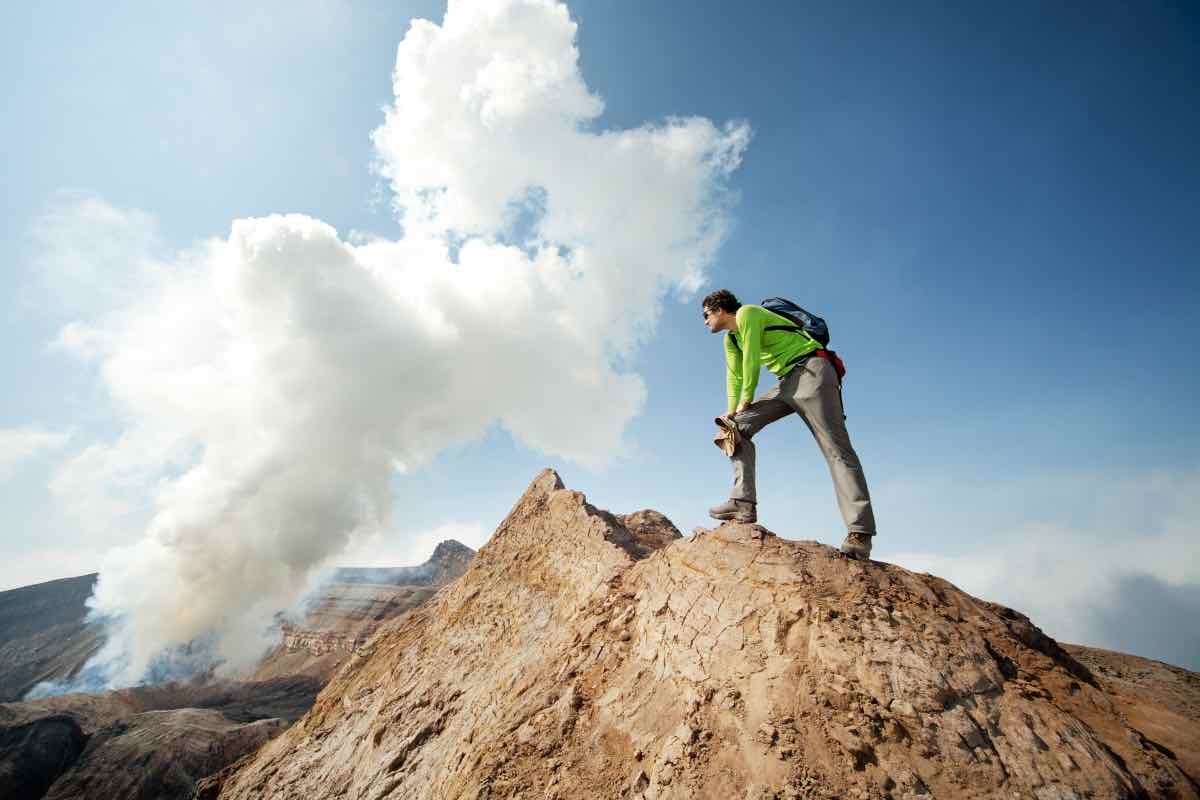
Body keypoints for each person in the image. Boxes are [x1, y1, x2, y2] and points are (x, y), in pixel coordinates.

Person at [702, 289, 877, 560]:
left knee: (836, 450)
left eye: (706, 315)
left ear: (719, 309)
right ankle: (742, 502)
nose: (704, 321)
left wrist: (746, 398)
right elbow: (734, 376)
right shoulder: (730, 340)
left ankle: (860, 532)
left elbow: (751, 361)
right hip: (785, 383)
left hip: (812, 371)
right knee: (732, 428)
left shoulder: (747, 314)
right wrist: (732, 410)